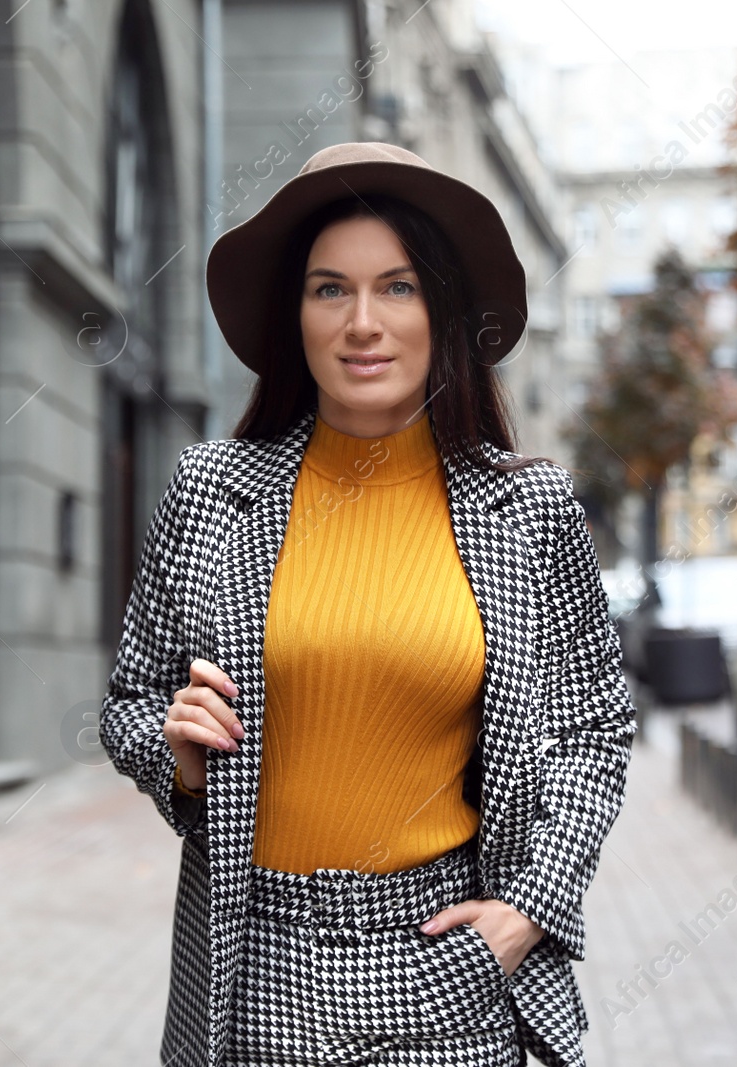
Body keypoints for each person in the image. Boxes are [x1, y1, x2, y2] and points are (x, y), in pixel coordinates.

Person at [100, 142, 638, 1067]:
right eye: (328, 290)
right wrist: (175, 755)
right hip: (253, 963)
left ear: (441, 312)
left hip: (447, 961)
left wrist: (529, 909)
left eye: (396, 287)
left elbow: (598, 726)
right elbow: (129, 703)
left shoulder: (529, 510)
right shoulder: (209, 490)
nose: (362, 323)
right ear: (295, 319)